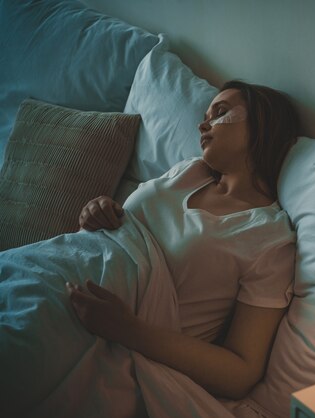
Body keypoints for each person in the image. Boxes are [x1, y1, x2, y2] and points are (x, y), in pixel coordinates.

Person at [66, 80, 301, 401]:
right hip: (65, 266)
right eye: (206, 114)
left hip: (108, 340)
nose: (203, 123)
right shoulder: (188, 172)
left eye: (220, 112)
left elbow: (241, 372)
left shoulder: (268, 239)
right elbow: (129, 227)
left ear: (263, 124)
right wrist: (96, 212)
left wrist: (125, 329)